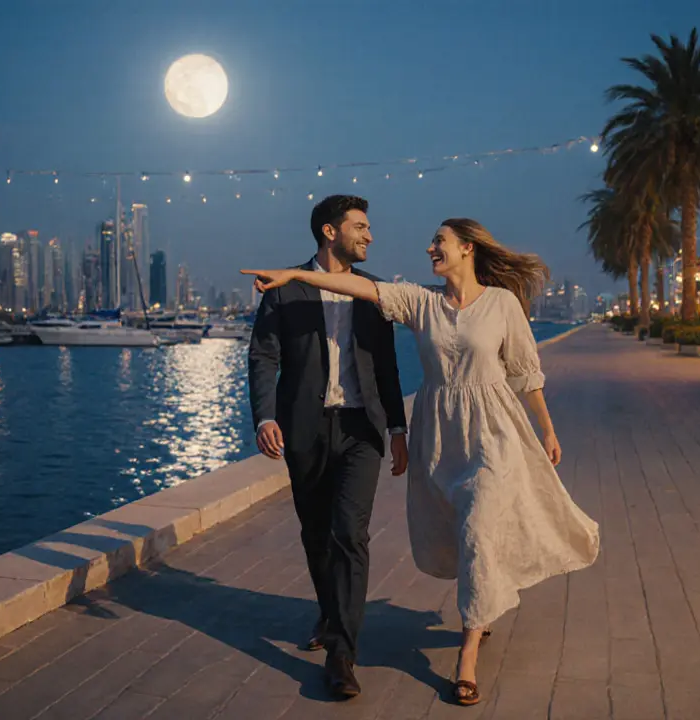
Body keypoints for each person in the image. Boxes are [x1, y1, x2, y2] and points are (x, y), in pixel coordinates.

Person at [243, 218, 600, 706]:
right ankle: (483, 605)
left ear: (467, 249)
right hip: (441, 436)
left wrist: (548, 428)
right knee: (466, 534)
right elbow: (360, 287)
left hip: (494, 432)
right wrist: (298, 276)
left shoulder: (502, 304)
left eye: (440, 242)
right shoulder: (422, 302)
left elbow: (523, 370)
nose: (430, 248)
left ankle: (468, 658)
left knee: (477, 528)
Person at [247, 195, 409, 699]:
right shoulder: (284, 287)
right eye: (361, 226)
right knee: (317, 532)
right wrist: (266, 416)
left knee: (349, 534)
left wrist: (397, 429)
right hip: (305, 429)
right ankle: (329, 609)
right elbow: (262, 355)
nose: (370, 235)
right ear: (328, 231)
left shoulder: (374, 292)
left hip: (362, 430)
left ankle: (342, 653)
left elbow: (386, 367)